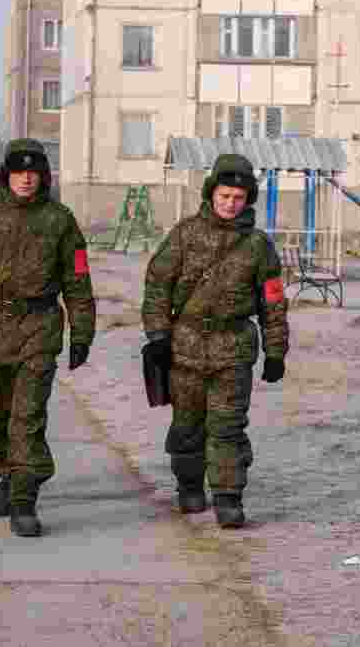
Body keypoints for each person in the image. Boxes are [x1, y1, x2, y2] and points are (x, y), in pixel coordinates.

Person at [0, 138, 96, 537]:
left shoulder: (60, 221)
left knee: (26, 418)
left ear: (43, 177)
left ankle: (25, 501)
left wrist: (82, 332)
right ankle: (10, 475)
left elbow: (77, 280)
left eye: (34, 172)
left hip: (39, 328)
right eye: (18, 172)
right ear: (6, 176)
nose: (26, 179)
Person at [141, 153, 288, 528]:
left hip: (233, 349)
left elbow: (273, 301)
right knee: (188, 425)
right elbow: (158, 284)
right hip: (185, 347)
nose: (230, 204)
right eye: (224, 196)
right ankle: (190, 485)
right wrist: (157, 334)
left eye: (238, 198)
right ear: (211, 194)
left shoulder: (258, 246)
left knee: (228, 426)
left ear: (248, 200)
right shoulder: (185, 234)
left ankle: (228, 496)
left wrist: (276, 351)